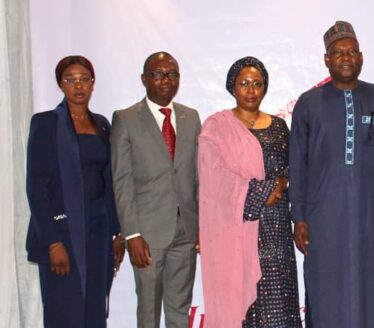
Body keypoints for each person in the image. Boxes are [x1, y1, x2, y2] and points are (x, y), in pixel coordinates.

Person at [289, 21, 374, 327]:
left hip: (370, 213)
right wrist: (299, 217)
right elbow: (298, 165)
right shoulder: (308, 103)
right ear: (326, 59)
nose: (345, 57)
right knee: (325, 288)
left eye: (351, 52)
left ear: (361, 57)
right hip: (323, 216)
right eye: (338, 53)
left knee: (371, 284)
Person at [198, 56, 301, 327]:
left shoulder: (279, 127)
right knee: (243, 307)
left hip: (276, 231)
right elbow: (213, 175)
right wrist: (263, 190)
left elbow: (294, 166)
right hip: (237, 227)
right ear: (233, 87)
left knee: (278, 304)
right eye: (244, 83)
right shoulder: (217, 126)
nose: (251, 90)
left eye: (257, 84)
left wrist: (284, 184)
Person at [26, 55, 124, 327]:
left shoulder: (102, 124)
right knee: (65, 310)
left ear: (93, 84)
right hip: (63, 231)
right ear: (61, 85)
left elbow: (109, 181)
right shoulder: (46, 123)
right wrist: (53, 242)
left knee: (93, 308)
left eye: (84, 79)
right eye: (70, 80)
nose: (78, 86)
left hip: (99, 229)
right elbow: (36, 187)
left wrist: (117, 232)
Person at [111, 51, 201, 328]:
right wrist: (132, 233)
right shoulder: (125, 119)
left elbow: (196, 177)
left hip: (185, 231)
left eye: (172, 74)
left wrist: (201, 228)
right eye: (158, 74)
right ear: (144, 79)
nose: (166, 80)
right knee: (148, 312)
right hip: (146, 235)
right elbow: (121, 180)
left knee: (179, 309)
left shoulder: (190, 117)